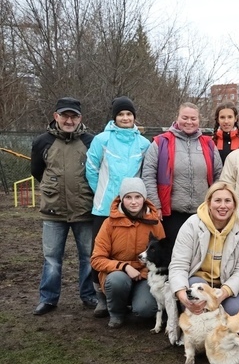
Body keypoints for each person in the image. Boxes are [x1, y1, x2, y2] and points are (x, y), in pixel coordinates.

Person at [86, 96, 152, 316]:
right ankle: (101, 297)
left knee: (131, 249)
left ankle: (133, 292)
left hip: (134, 207)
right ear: (114, 117)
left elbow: (146, 173)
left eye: (129, 114)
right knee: (100, 251)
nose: (125, 118)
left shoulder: (143, 143)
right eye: (121, 114)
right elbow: (91, 169)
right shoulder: (101, 140)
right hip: (104, 208)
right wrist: (102, 193)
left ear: (134, 117)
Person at [31, 97, 97, 315]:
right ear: (56, 117)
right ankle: (48, 298)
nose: (69, 120)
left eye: (73, 116)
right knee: (51, 258)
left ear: (80, 118)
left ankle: (89, 295)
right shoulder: (42, 142)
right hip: (53, 211)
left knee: (88, 256)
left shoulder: (90, 141)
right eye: (65, 116)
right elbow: (37, 172)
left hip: (84, 209)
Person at [169, 181, 239, 324]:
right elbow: (178, 265)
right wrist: (183, 297)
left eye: (228, 201)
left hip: (226, 285)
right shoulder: (192, 225)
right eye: (217, 200)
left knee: (235, 311)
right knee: (196, 301)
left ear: (234, 205)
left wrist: (221, 295)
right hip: (197, 281)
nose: (223, 206)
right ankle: (194, 336)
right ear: (209, 203)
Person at [142, 102, 223, 243]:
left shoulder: (208, 144)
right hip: (171, 215)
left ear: (199, 120)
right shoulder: (161, 143)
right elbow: (148, 175)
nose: (189, 122)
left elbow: (219, 177)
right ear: (177, 118)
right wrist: (156, 205)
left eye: (193, 118)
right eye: (185, 118)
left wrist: (214, 205)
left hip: (202, 214)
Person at [90, 178, 165, 329]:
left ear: (144, 199)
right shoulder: (109, 223)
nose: (133, 202)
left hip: (145, 276)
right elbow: (97, 259)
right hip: (118, 274)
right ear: (121, 199)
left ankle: (137, 303)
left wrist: (142, 273)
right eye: (128, 197)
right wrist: (124, 267)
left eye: (138, 197)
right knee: (117, 280)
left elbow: (163, 256)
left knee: (146, 309)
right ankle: (117, 313)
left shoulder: (155, 223)